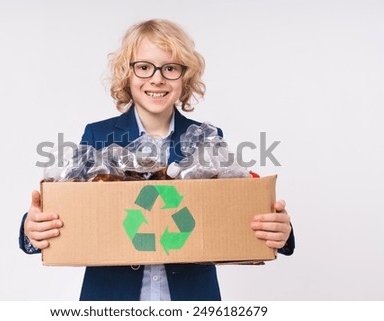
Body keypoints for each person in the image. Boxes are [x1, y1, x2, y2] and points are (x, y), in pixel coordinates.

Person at [19, 19, 295, 301]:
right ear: (127, 74)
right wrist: (32, 230)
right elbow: (79, 209)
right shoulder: (99, 135)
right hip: (113, 298)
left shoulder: (206, 138)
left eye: (170, 68)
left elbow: (228, 207)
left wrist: (280, 232)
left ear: (185, 76)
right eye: (144, 67)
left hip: (190, 298)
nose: (157, 78)